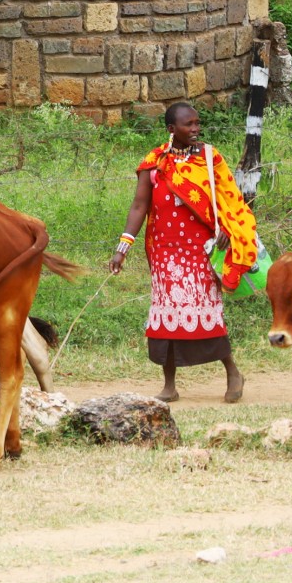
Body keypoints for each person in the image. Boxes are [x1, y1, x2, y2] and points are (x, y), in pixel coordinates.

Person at [105, 101, 257, 403]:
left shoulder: (210, 158)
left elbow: (230, 200)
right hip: (164, 252)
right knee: (166, 316)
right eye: (189, 124)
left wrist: (226, 228)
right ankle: (169, 385)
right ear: (172, 129)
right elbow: (139, 206)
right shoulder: (154, 163)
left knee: (207, 312)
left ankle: (232, 372)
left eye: (198, 123)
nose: (196, 129)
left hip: (199, 250)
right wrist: (122, 249)